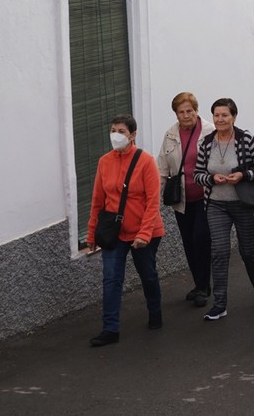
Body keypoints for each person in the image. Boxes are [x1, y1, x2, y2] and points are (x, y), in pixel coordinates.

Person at [87, 114, 165, 347]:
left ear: (133, 135)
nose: (116, 135)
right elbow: (97, 201)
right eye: (113, 130)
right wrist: (91, 233)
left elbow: (153, 201)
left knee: (147, 274)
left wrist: (144, 233)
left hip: (145, 231)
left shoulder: (146, 161)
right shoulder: (104, 162)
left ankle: (155, 312)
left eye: (121, 131)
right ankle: (110, 328)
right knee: (111, 279)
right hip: (114, 232)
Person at [193, 98, 254, 320]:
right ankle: (220, 304)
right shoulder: (207, 143)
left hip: (244, 204)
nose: (220, 119)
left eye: (224, 115)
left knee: (247, 251)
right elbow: (197, 174)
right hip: (216, 204)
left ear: (234, 117)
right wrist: (210, 178)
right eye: (216, 115)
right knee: (218, 251)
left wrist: (244, 175)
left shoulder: (246, 139)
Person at [157, 92, 216, 309]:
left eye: (189, 111)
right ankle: (199, 283)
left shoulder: (210, 130)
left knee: (201, 238)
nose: (186, 115)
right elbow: (162, 169)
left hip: (207, 197)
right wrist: (154, 202)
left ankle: (203, 287)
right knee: (189, 242)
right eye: (181, 112)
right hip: (182, 200)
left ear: (196, 110)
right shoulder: (170, 135)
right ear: (176, 114)